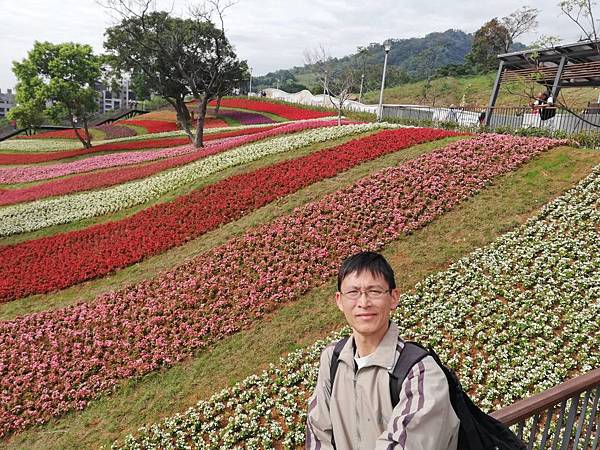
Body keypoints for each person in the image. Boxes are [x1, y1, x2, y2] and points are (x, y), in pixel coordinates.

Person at [306, 251, 459, 450]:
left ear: (393, 297)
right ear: (339, 301)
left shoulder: (420, 372)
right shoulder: (332, 359)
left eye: (375, 291)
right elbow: (318, 434)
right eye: (353, 292)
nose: (363, 302)